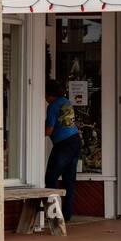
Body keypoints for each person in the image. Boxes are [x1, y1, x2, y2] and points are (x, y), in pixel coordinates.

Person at [44, 79, 81, 222]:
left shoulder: (52, 106)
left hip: (63, 144)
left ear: (49, 94)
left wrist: (32, 132)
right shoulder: (66, 102)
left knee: (51, 178)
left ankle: (53, 215)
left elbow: (49, 130)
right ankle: (67, 214)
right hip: (75, 140)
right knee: (69, 180)